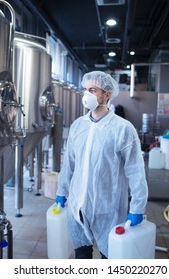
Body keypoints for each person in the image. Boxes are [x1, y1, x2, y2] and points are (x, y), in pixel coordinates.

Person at [55, 71, 148, 259]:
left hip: (108, 208)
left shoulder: (122, 129)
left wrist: (137, 207)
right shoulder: (78, 126)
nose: (86, 94)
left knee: (110, 256)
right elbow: (69, 164)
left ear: (107, 94)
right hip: (77, 206)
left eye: (93, 90)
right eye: (85, 89)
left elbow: (135, 171)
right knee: (81, 254)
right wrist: (62, 191)